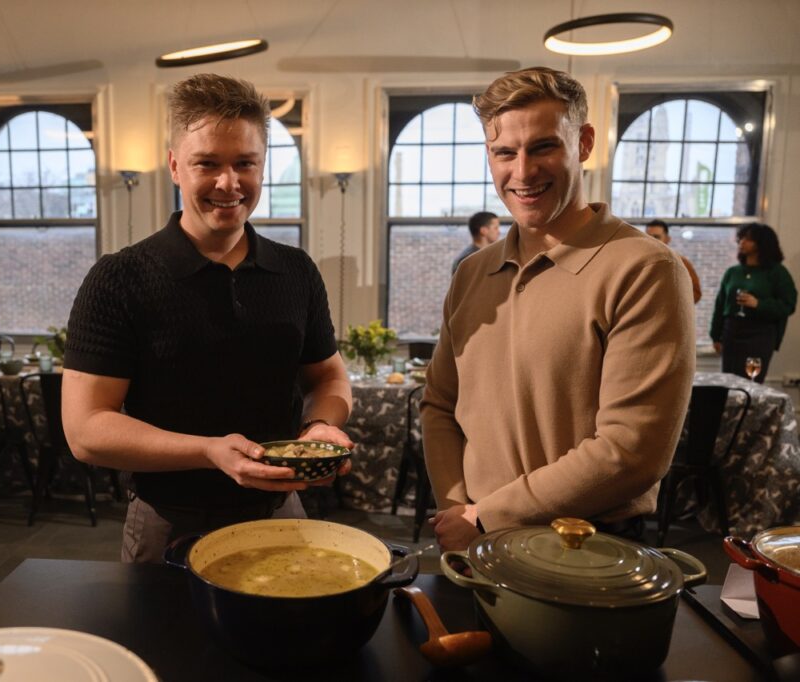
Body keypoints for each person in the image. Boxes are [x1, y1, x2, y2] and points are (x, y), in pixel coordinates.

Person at [62, 73, 353, 563]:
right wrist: (209, 451)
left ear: (263, 166)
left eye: (245, 163)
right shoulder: (119, 278)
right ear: (175, 166)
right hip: (169, 521)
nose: (228, 183)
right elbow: (85, 430)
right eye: (208, 164)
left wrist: (320, 426)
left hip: (281, 511)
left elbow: (327, 376)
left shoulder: (295, 270)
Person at [421, 67, 695, 551]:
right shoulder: (472, 272)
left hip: (587, 547)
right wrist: (456, 507)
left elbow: (631, 451)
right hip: (474, 538)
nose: (523, 172)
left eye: (543, 147)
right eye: (505, 152)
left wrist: (487, 516)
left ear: (583, 143)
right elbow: (440, 405)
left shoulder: (646, 268)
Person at [710, 223, 796, 383]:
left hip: (760, 334)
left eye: (748, 239)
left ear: (762, 244)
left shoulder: (777, 273)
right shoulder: (733, 272)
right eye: (741, 238)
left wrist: (759, 304)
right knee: (728, 381)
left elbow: (788, 304)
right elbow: (720, 304)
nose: (742, 242)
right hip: (731, 331)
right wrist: (715, 335)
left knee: (751, 382)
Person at [645, 219, 702, 303]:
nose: (652, 241)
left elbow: (696, 294)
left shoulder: (681, 263)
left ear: (667, 239)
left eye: (656, 237)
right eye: (648, 237)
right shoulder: (638, 263)